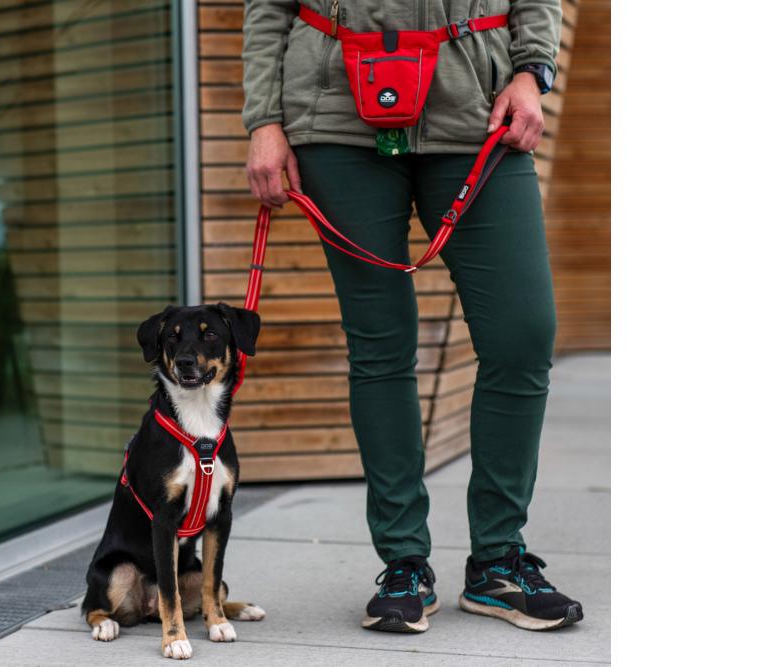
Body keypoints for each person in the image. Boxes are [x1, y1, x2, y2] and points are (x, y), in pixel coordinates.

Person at [241, 0, 583, 633]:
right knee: (381, 343)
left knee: (522, 334)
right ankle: (404, 562)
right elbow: (268, 7)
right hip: (338, 119)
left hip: (478, 112)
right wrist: (264, 118)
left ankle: (498, 563)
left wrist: (532, 73)